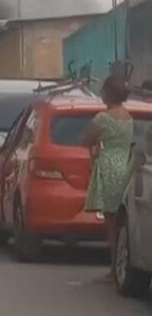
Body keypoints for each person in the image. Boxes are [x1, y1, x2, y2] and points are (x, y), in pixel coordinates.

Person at [81, 75, 132, 282]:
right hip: (124, 166)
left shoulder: (102, 118)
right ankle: (120, 265)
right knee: (121, 221)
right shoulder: (129, 117)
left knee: (111, 223)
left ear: (108, 93)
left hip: (109, 167)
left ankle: (114, 268)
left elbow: (85, 139)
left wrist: (95, 149)